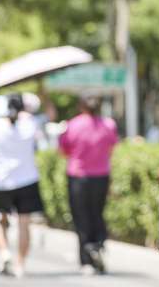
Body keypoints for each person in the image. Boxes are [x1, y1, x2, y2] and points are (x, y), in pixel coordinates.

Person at [58, 93, 119, 275]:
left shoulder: (72, 125)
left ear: (81, 106)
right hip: (101, 176)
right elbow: (111, 150)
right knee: (97, 213)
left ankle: (86, 259)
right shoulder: (109, 125)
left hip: (78, 176)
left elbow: (63, 151)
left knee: (81, 217)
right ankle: (98, 244)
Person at [0, 93, 45, 278]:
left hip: (1, 180)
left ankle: (4, 252)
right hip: (28, 180)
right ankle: (20, 264)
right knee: (24, 223)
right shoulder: (30, 123)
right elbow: (41, 143)